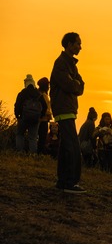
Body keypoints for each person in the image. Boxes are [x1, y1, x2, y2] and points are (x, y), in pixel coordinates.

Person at [50, 32, 85, 193]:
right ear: (69, 44)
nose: (80, 47)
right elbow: (71, 85)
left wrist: (76, 84)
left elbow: (80, 84)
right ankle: (71, 182)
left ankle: (63, 181)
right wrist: (76, 84)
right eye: (78, 43)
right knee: (73, 147)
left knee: (66, 147)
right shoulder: (61, 63)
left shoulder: (71, 64)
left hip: (68, 109)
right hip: (64, 109)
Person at [14, 74, 48, 154]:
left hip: (23, 117)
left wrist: (17, 116)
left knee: (20, 134)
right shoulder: (38, 94)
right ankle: (33, 154)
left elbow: (17, 105)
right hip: (35, 119)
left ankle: (20, 152)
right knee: (33, 137)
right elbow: (45, 106)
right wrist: (41, 116)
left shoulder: (22, 93)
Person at [37, 77, 52, 154]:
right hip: (43, 119)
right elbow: (46, 108)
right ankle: (40, 153)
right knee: (42, 138)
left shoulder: (37, 93)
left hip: (37, 119)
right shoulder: (44, 95)